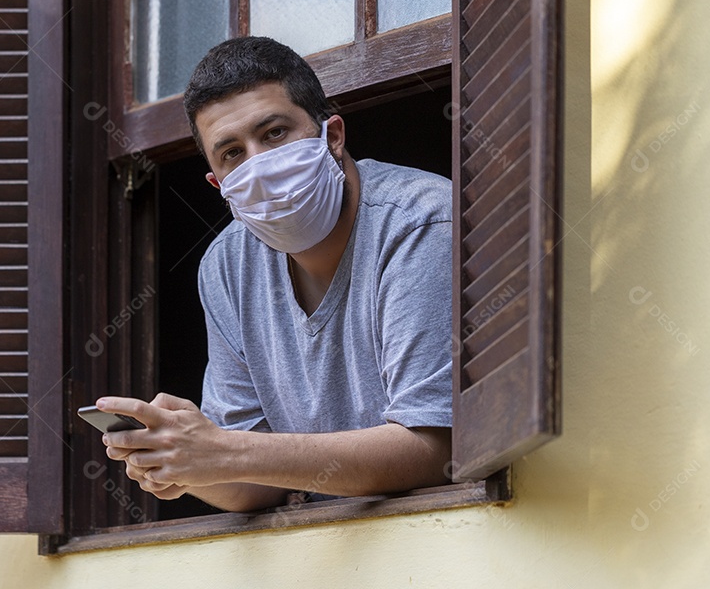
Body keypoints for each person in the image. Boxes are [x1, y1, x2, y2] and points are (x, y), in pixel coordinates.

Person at [97, 36, 453, 512]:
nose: (259, 165)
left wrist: (226, 451)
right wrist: (183, 463)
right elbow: (255, 486)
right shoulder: (226, 267)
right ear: (218, 184)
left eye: (274, 133)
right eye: (232, 153)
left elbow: (432, 450)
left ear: (332, 136)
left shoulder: (420, 223)